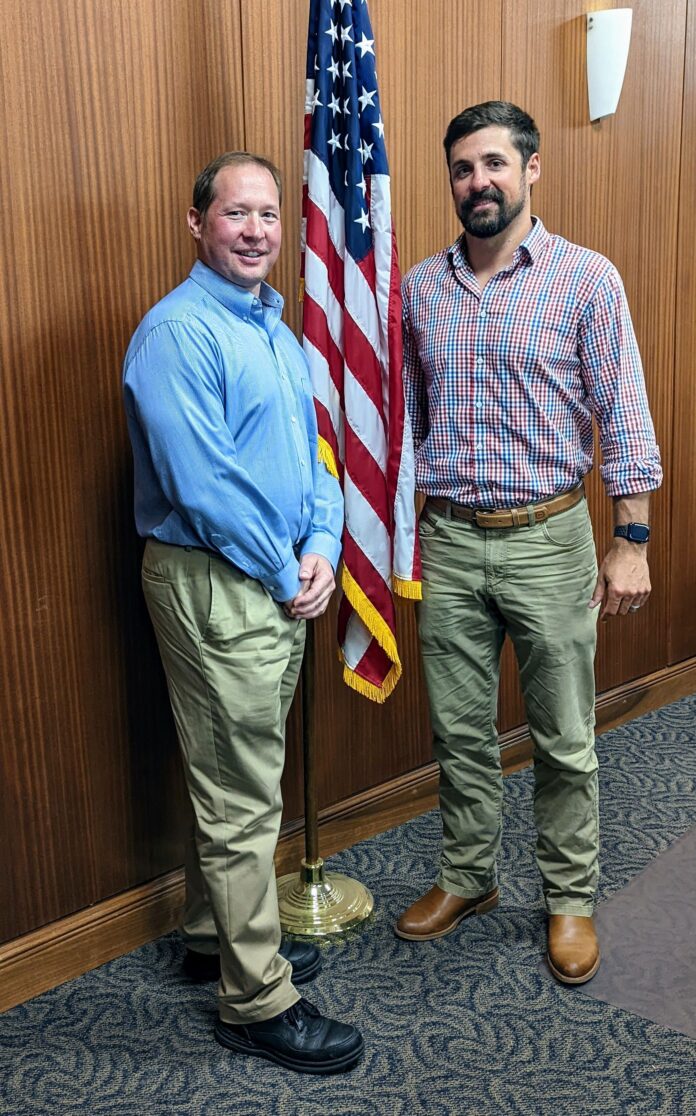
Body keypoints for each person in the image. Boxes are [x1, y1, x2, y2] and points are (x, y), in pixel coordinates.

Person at [396, 102, 662, 984]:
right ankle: (468, 875)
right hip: (449, 540)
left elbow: (624, 414)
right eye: (463, 168)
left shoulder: (586, 279)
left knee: (563, 735)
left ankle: (569, 898)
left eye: (494, 164)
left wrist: (631, 539)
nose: (478, 182)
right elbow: (408, 425)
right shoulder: (419, 290)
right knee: (459, 731)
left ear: (531, 169)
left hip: (550, 538)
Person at [123, 151, 363, 1073]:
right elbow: (204, 484)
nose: (257, 231)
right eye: (237, 214)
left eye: (268, 214)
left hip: (275, 576)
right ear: (197, 223)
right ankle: (256, 999)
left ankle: (209, 934)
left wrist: (324, 542)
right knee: (241, 797)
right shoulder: (177, 334)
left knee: (232, 771)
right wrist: (284, 566)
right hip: (219, 581)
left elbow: (316, 457)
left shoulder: (276, 328)